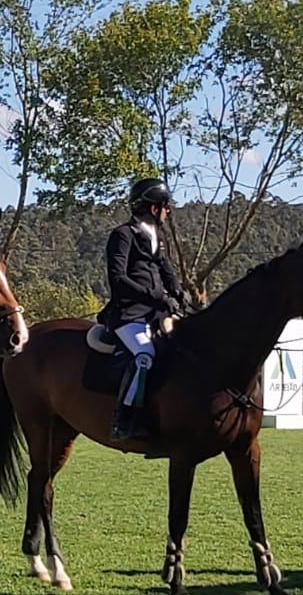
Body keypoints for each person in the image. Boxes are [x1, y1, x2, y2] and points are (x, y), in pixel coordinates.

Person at [98, 177, 191, 441]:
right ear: (154, 208)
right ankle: (124, 418)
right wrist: (158, 297)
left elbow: (166, 269)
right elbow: (118, 279)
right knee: (145, 355)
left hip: (156, 315)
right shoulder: (123, 235)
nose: (169, 211)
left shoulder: (156, 237)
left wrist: (179, 293)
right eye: (166, 206)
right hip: (128, 315)